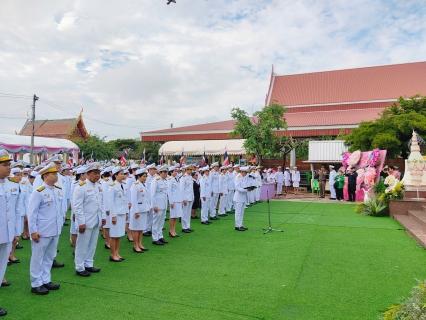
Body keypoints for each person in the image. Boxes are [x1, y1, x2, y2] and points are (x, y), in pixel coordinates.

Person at [27, 162, 63, 295]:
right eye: (53, 174)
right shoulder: (39, 192)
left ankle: (46, 280)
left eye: (56, 174)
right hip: (41, 231)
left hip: (55, 229)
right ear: (45, 176)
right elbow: (32, 213)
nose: (56, 176)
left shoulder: (58, 190)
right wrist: (33, 231)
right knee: (37, 257)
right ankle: (36, 283)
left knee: (49, 256)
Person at [0, 150, 22, 316]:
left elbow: (15, 210)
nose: (8, 168)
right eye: (4, 165)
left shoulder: (13, 184)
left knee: (1, 269)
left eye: (9, 165)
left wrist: (16, 231)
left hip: (7, 234)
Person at [73, 162, 104, 277]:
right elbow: (77, 207)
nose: (97, 175)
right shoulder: (81, 187)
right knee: (82, 244)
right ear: (88, 174)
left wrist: (103, 218)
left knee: (93, 244)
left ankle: (88, 264)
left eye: (99, 173)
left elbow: (101, 204)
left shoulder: (99, 186)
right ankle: (80, 267)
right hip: (85, 222)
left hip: (96, 220)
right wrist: (81, 222)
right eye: (95, 173)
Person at [108, 167, 128, 262]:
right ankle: (112, 254)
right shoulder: (112, 186)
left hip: (122, 212)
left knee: (119, 234)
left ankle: (117, 252)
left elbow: (125, 200)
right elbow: (111, 203)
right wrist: (113, 216)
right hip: (116, 214)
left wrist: (126, 212)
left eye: (123, 174)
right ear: (115, 175)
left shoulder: (122, 185)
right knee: (114, 234)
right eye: (121, 174)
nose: (123, 175)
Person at [129, 168, 150, 253]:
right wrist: (136, 211)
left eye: (146, 176)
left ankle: (140, 244)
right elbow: (133, 200)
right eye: (143, 176)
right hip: (137, 210)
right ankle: (135, 245)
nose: (145, 178)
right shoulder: (135, 185)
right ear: (139, 176)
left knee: (141, 228)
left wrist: (147, 208)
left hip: (144, 209)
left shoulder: (144, 185)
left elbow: (146, 198)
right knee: (135, 228)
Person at [70, 166, 87, 255]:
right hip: (76, 211)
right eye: (85, 174)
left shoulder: (86, 184)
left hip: (83, 210)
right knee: (74, 230)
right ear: (81, 175)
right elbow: (73, 199)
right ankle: (75, 249)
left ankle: (80, 249)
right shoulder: (76, 184)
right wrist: (74, 212)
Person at [150, 165, 169, 245]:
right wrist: (154, 206)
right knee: (156, 222)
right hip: (157, 205)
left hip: (163, 205)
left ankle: (160, 236)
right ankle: (155, 238)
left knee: (161, 222)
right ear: (160, 172)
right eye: (164, 172)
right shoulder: (156, 181)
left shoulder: (165, 181)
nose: (166, 174)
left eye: (166, 172)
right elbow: (153, 194)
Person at [167, 166, 183, 238]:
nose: (176, 172)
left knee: (176, 216)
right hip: (174, 200)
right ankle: (171, 230)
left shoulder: (176, 179)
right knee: (172, 216)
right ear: (171, 172)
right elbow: (169, 191)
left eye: (176, 171)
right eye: (174, 171)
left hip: (178, 200)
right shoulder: (170, 179)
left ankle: (174, 230)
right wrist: (171, 202)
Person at [233, 166, 251, 231]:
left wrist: (249, 188)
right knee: (238, 212)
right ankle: (237, 226)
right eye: (245, 173)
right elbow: (237, 188)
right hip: (238, 197)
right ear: (242, 172)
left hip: (243, 197)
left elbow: (245, 186)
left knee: (242, 212)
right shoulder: (237, 177)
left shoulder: (243, 177)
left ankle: (240, 224)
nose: (246, 174)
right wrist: (246, 190)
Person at [143, 163, 157, 237]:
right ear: (149, 170)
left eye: (155, 169)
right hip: (148, 199)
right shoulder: (147, 178)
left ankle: (148, 229)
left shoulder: (153, 178)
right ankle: (144, 230)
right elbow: (146, 190)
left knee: (151, 215)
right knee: (147, 215)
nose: (155, 171)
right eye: (153, 169)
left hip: (152, 199)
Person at [180, 165, 194, 233]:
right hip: (186, 198)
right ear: (186, 170)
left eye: (191, 170)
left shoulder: (190, 177)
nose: (190, 171)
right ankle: (184, 227)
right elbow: (182, 189)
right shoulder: (183, 177)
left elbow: (191, 189)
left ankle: (188, 226)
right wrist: (183, 199)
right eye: (189, 170)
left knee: (188, 213)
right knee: (184, 213)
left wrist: (193, 197)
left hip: (190, 197)